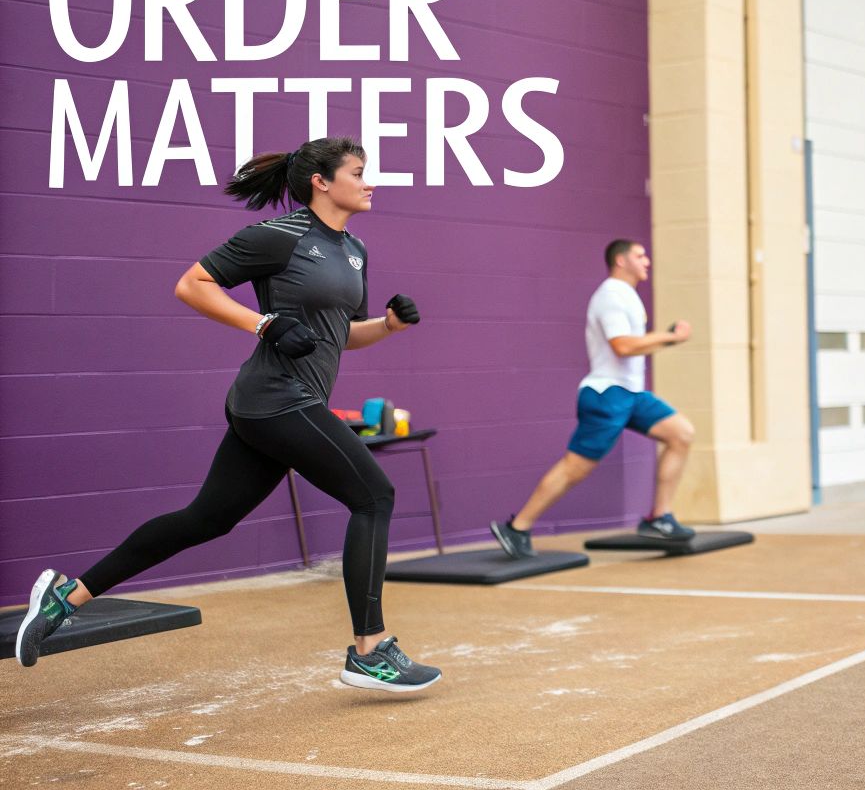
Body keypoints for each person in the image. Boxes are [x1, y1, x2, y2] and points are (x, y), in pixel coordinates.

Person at [13, 137, 440, 693]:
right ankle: (368, 651)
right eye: (358, 172)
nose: (369, 181)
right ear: (322, 181)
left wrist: (388, 326)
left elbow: (338, 338)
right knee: (374, 496)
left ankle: (65, 597)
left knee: (207, 519)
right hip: (276, 397)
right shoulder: (280, 237)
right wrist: (263, 323)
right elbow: (192, 284)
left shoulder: (354, 249)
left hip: (282, 401)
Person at [490, 239, 698, 557]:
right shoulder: (611, 295)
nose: (647, 261)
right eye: (640, 255)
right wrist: (671, 336)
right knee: (576, 468)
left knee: (681, 434)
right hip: (606, 394)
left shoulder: (627, 295)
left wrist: (666, 340)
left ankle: (660, 518)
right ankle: (516, 527)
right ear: (620, 260)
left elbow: (634, 346)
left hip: (631, 394)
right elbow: (623, 346)